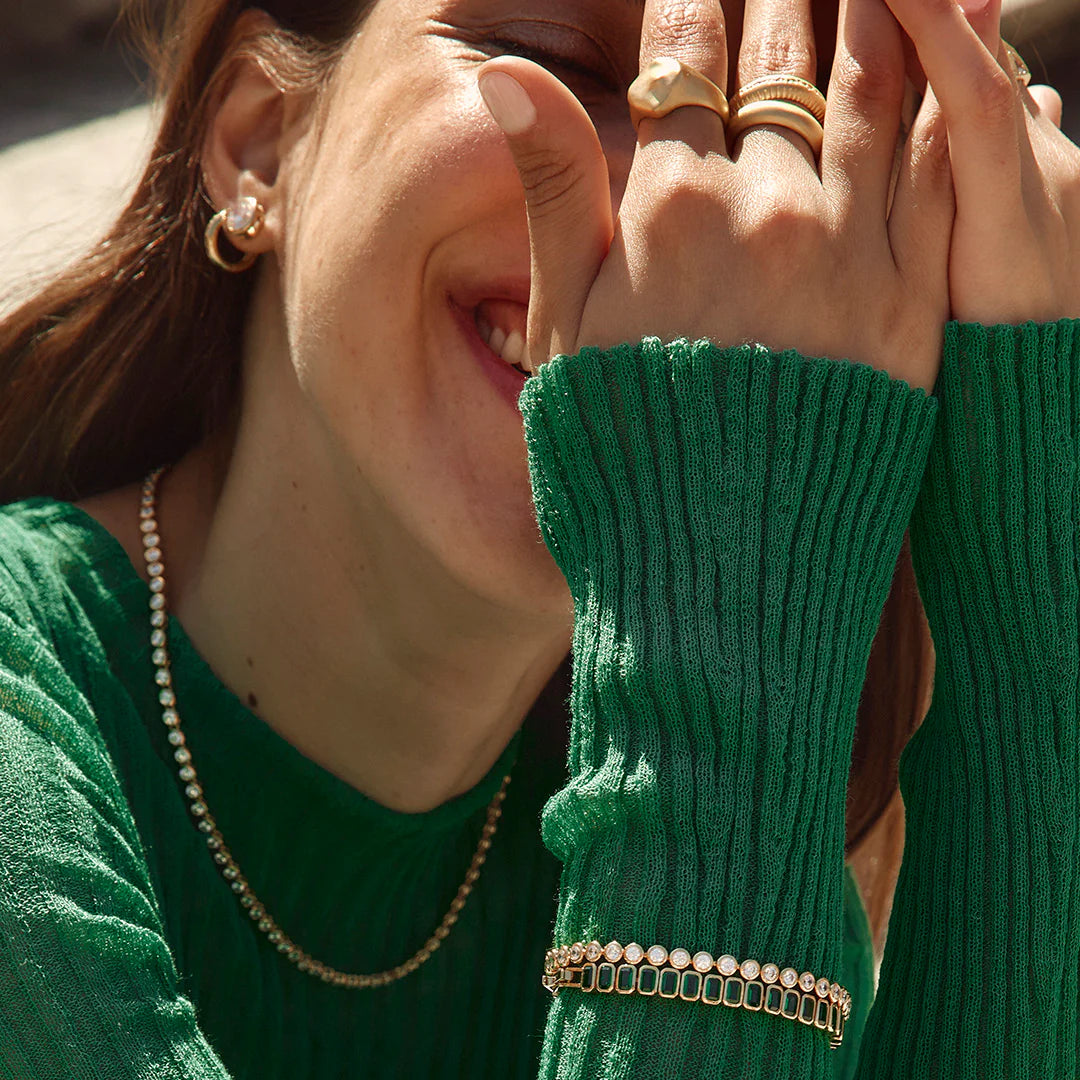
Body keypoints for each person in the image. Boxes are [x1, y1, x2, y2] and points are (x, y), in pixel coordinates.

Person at [0, 0, 1077, 1073]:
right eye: (555, 58)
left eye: (778, 132)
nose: (683, 199)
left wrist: (1028, 586)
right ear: (258, 144)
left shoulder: (711, 788)